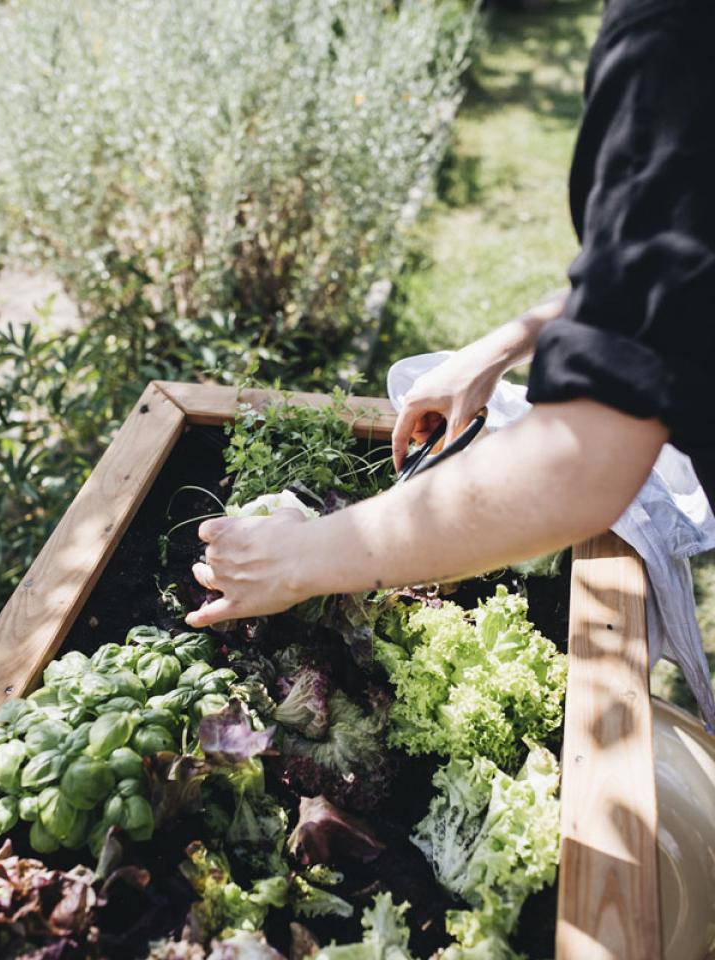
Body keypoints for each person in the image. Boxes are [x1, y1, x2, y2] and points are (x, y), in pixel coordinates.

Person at [185, 0, 714, 628]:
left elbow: (581, 463)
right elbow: (681, 268)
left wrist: (301, 555)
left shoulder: (671, 39)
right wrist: (491, 353)